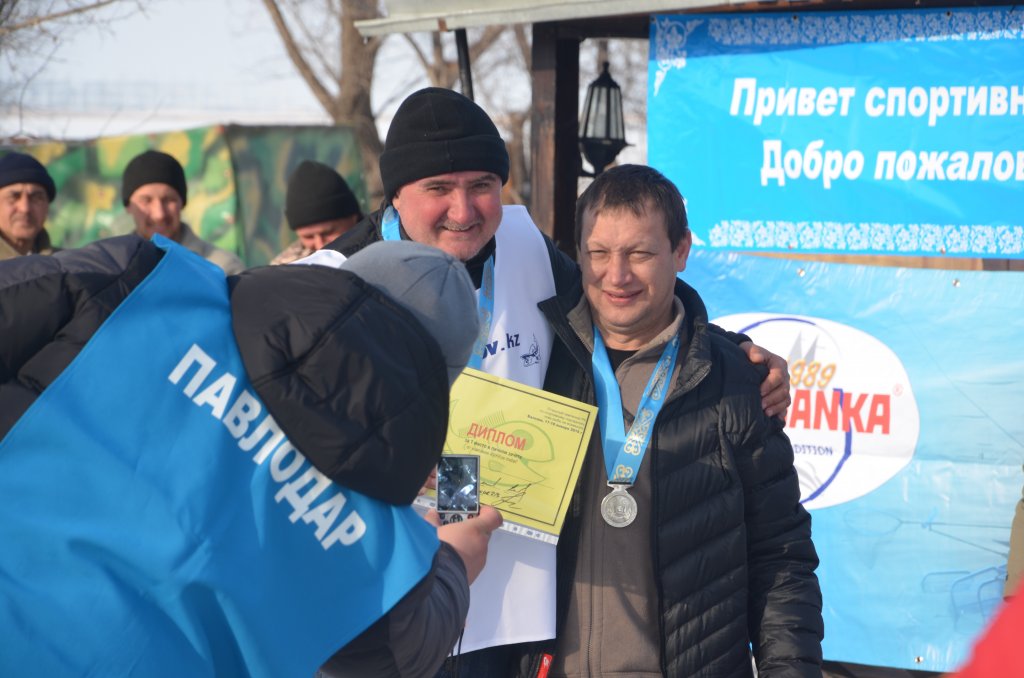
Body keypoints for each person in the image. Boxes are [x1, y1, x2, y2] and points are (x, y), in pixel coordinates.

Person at [323, 87, 794, 673]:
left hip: (509, 610)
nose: (463, 211)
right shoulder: (330, 281)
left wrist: (732, 352)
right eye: (438, 188)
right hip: (385, 600)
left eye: (481, 185)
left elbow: (623, 301)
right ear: (396, 192)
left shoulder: (522, 245)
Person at [0, 235, 500, 677]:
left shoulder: (151, 283)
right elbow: (390, 660)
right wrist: (455, 559)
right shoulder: (379, 539)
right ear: (438, 383)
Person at [504, 164, 822, 677]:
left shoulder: (736, 383)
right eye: (599, 253)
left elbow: (780, 557)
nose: (617, 275)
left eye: (640, 254)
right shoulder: (538, 362)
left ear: (681, 251)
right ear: (578, 254)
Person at [121, 149, 245, 274]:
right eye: (146, 201)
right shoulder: (115, 270)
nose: (159, 214)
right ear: (128, 206)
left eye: (169, 200)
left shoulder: (223, 267)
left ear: (182, 202)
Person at [270, 160, 362, 265]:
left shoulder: (377, 247)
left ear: (353, 217)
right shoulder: (286, 267)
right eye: (308, 237)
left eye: (328, 232)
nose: (320, 245)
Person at [0, 151, 58, 260]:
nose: (25, 208)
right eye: (14, 197)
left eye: (36, 198)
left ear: (47, 206)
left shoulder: (66, 265)